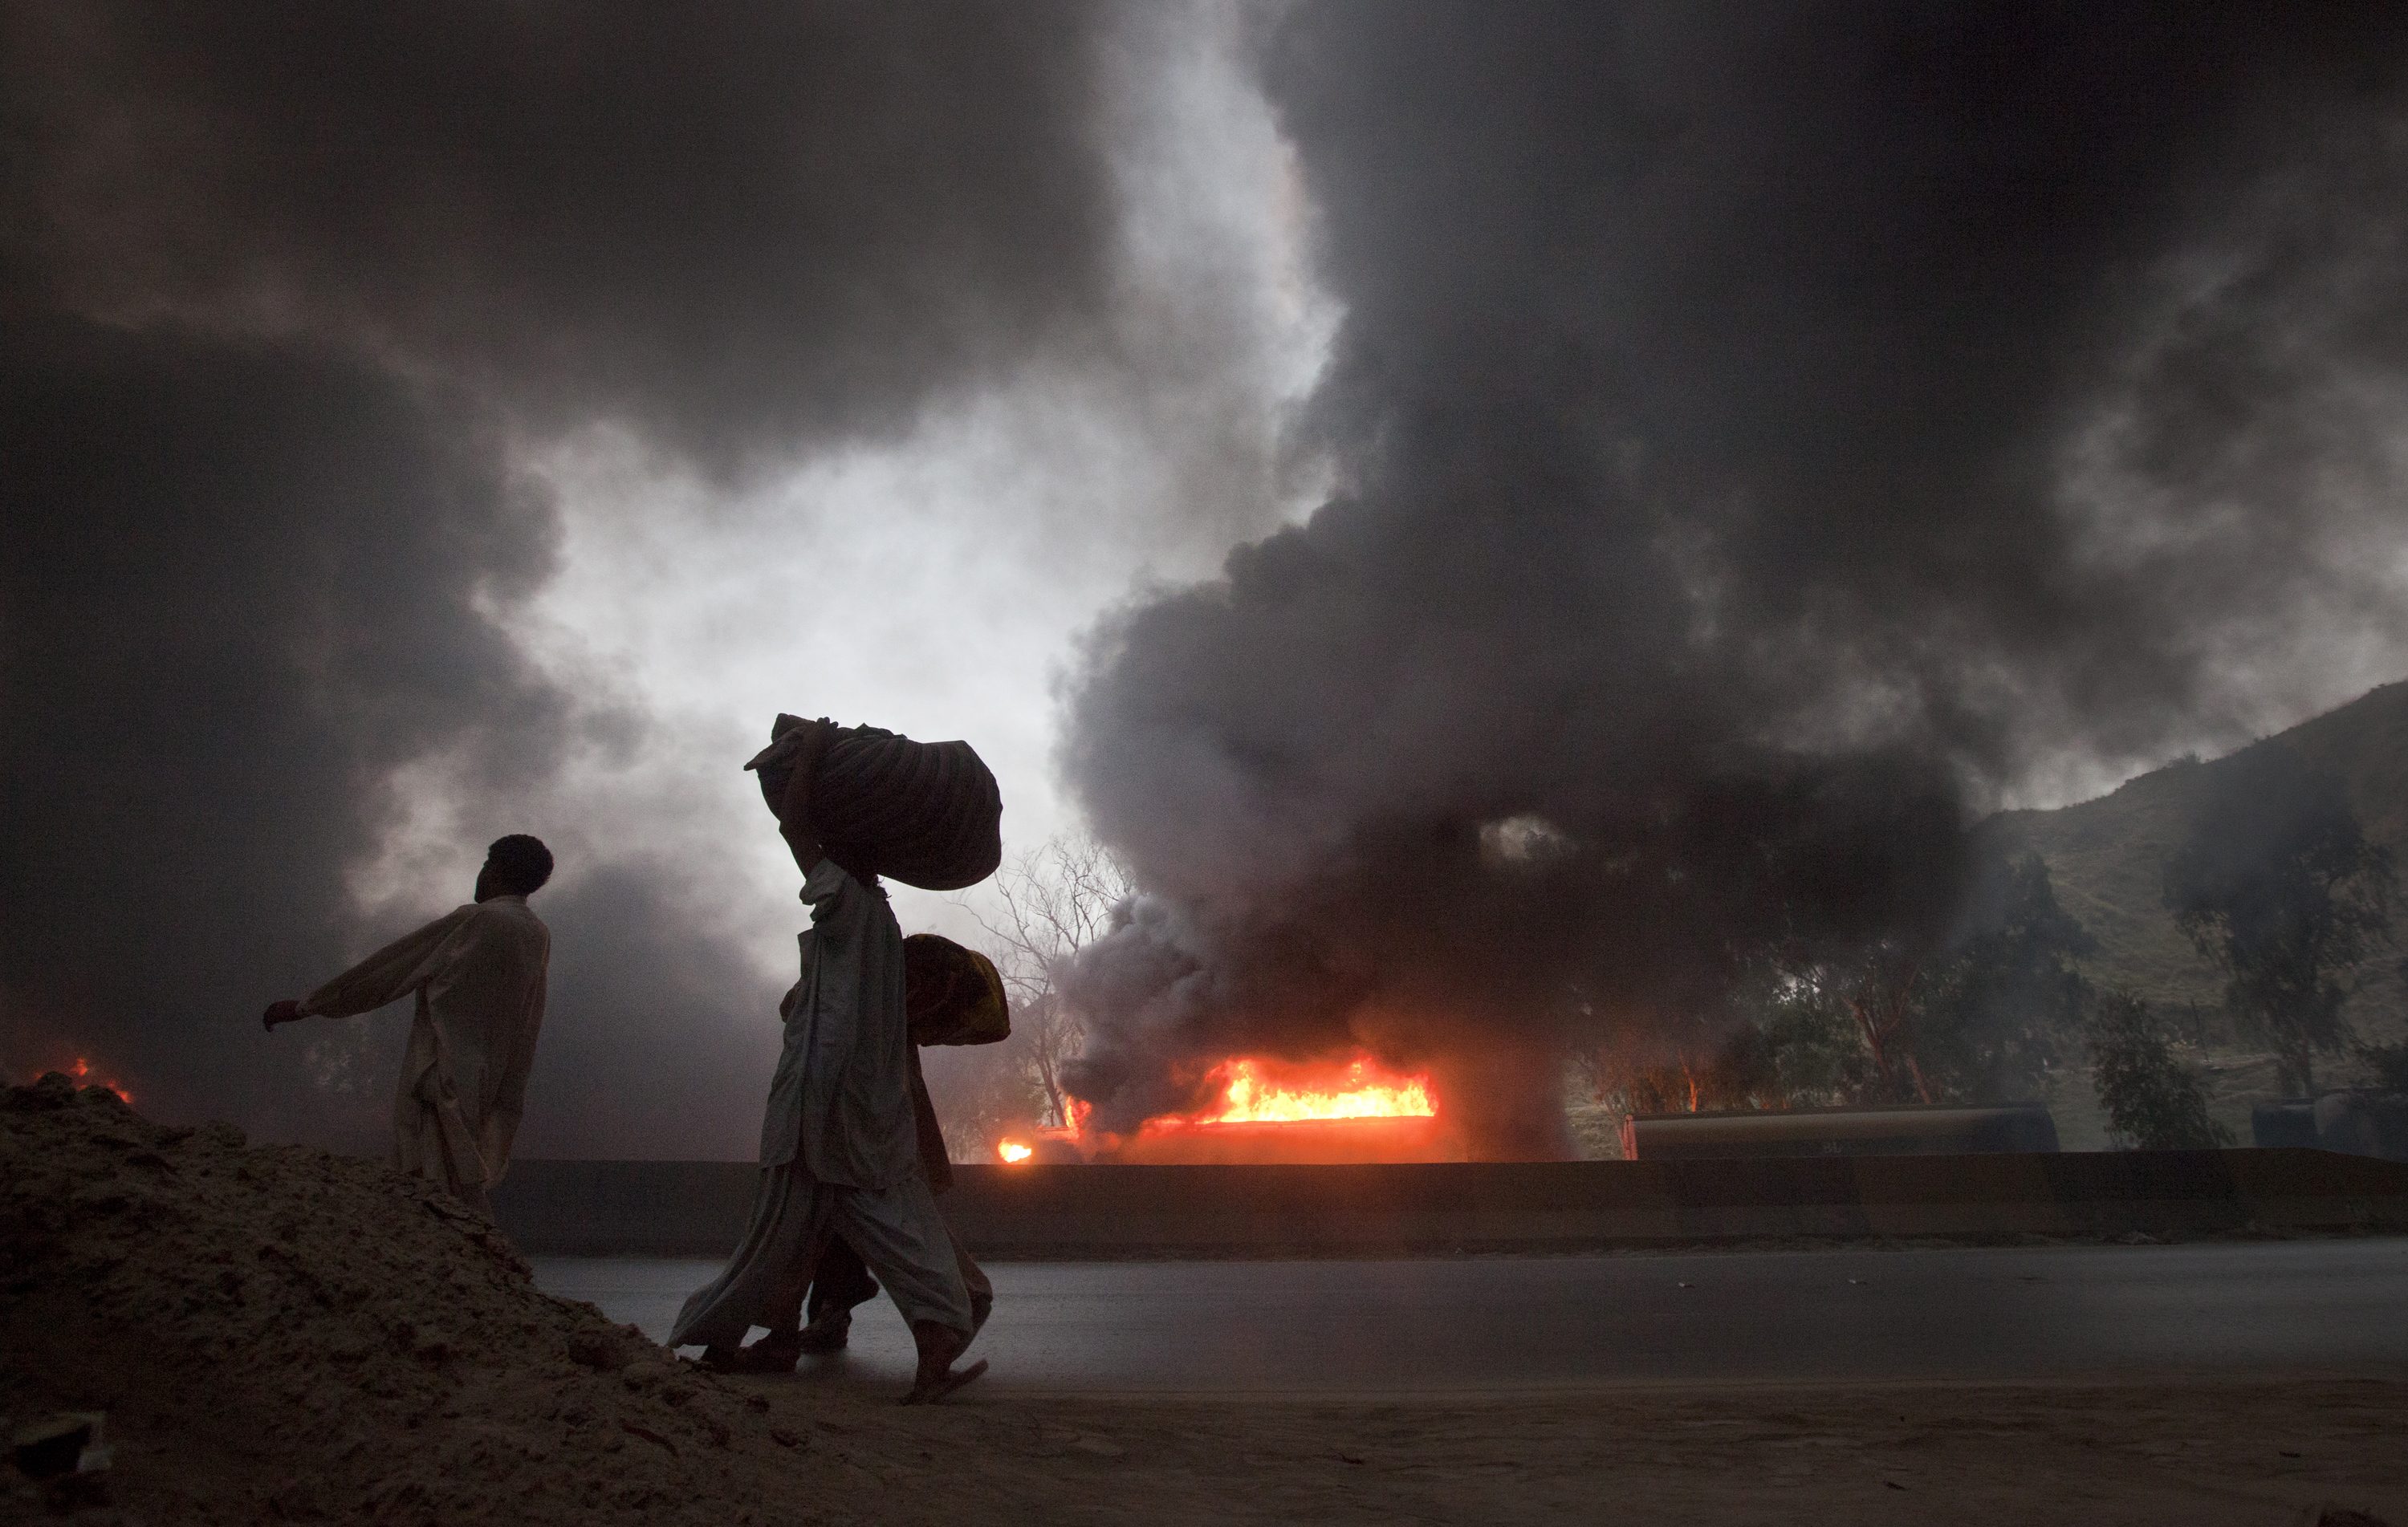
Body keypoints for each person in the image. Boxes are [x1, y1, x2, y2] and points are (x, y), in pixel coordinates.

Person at [669, 719, 986, 1404]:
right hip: (858, 1102)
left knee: (780, 1230)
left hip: (824, 1098)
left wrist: (810, 753)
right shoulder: (877, 914)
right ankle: (932, 1338)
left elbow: (794, 829)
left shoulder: (846, 901)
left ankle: (728, 1339)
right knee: (879, 1226)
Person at [262, 835, 555, 1215]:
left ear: (495, 871)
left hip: (440, 1071)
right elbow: (529, 1016)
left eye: (485, 866)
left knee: (433, 1177)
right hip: (490, 1079)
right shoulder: (537, 933)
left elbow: (390, 968)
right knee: (459, 1174)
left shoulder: (478, 920)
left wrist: (308, 1006)